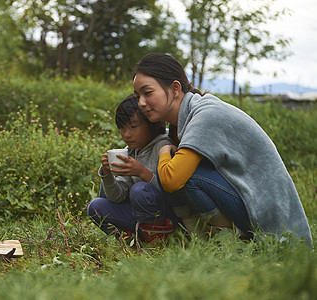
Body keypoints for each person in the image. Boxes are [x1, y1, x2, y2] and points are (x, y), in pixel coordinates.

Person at [132, 53, 312, 244]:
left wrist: (162, 152)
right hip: (244, 198)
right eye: (138, 96)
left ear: (175, 88)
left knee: (175, 172)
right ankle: (196, 238)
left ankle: (229, 242)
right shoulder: (181, 123)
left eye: (147, 93)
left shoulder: (205, 115)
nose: (141, 103)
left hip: (264, 210)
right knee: (173, 167)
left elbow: (171, 180)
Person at [87, 94, 180, 243]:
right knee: (95, 207)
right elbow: (117, 196)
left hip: (167, 217)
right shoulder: (130, 151)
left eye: (133, 126)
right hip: (140, 217)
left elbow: (174, 193)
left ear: (152, 123)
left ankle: (158, 243)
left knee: (140, 190)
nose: (126, 134)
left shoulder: (164, 146)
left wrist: (141, 173)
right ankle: (131, 241)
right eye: (122, 128)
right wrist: (107, 174)